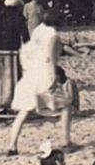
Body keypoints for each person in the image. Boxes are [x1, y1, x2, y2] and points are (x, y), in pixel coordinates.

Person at [8, 9, 70, 155]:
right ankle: (66, 141)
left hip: (31, 74)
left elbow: (28, 50)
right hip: (44, 75)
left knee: (24, 111)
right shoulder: (53, 35)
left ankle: (12, 145)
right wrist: (54, 76)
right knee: (66, 105)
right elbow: (49, 58)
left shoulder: (38, 30)